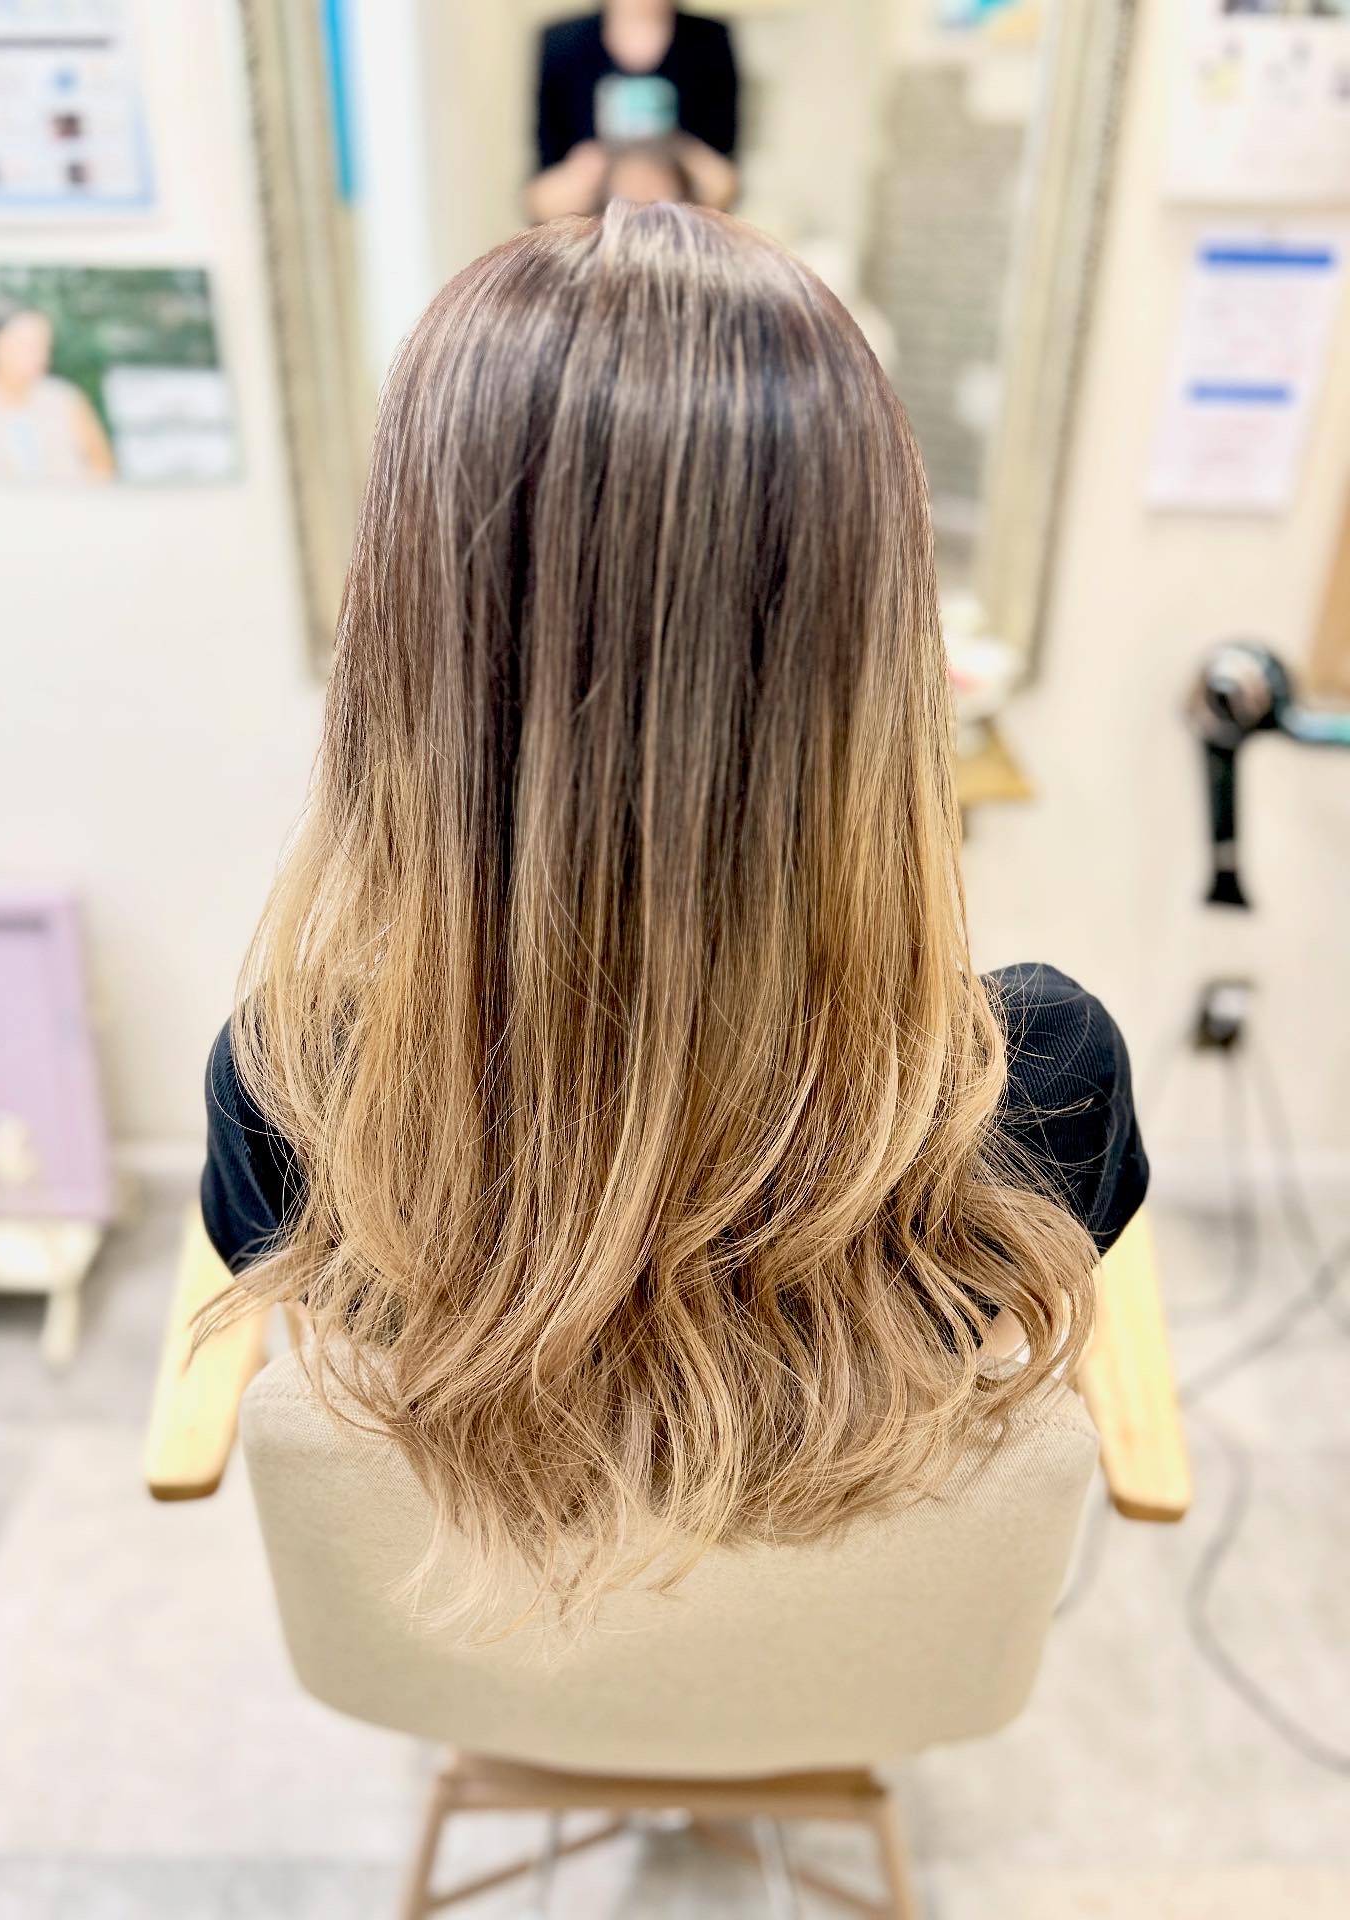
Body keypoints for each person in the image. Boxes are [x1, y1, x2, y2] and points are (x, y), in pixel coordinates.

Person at [202, 204, 1147, 1621]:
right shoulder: (1048, 1084)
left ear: (409, 633)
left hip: (502, 1638)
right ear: (873, 639)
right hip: (835, 1647)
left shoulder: (292, 1094)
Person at [527, 2, 738, 221]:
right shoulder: (564, 43)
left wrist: (686, 159)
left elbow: (725, 183)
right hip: (592, 216)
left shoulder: (709, 42)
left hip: (683, 220)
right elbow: (540, 197)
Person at [0, 299, 115, 483]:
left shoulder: (66, 399)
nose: (40, 356)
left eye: (44, 346)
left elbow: (104, 468)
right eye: (25, 345)